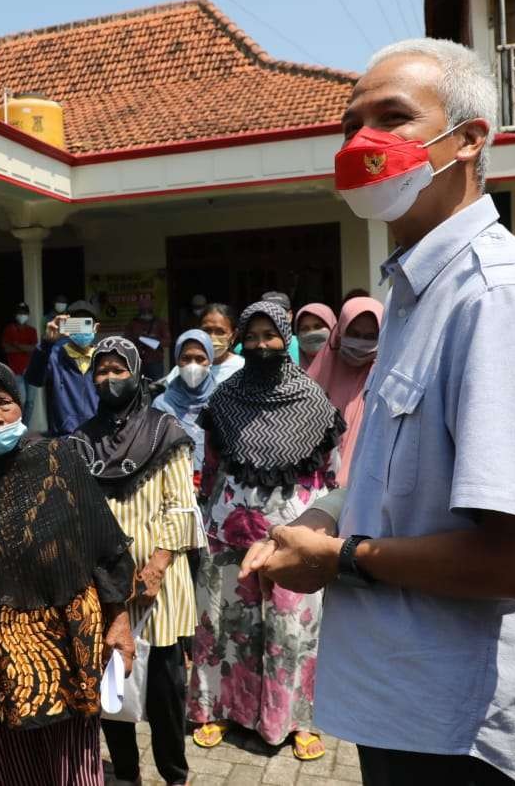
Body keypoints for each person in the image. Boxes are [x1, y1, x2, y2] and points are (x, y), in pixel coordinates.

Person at [244, 38, 515, 786]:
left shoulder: (497, 298)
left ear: (471, 140)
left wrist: (342, 559)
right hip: (410, 709)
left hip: (464, 732)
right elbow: (408, 484)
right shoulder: (417, 297)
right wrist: (330, 516)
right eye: (350, 125)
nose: (360, 143)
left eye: (392, 117)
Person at [0, 360, 135, 786]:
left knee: (73, 771)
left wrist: (120, 621)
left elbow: (105, 548)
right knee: (4, 771)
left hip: (67, 652)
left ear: (20, 405)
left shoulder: (62, 461)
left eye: (3, 402)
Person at [185, 302, 341, 762]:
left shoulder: (313, 399)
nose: (259, 345)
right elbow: (211, 464)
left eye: (269, 336)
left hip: (293, 533)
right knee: (224, 626)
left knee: (292, 630)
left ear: (286, 339)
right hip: (228, 532)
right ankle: (217, 709)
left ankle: (294, 720)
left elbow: (328, 474)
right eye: (251, 337)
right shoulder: (226, 396)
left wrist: (319, 531)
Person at [73, 337, 199, 786]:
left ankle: (174, 774)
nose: (109, 379)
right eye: (101, 372)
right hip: (106, 585)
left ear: (136, 372)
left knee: (166, 691)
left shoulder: (165, 430)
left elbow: (182, 507)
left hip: (159, 583)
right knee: (113, 682)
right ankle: (126, 774)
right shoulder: (81, 441)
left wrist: (158, 562)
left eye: (118, 370)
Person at [305, 297, 385, 486]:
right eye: (354, 334)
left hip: (367, 489)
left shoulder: (386, 382)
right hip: (315, 492)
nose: (360, 343)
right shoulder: (314, 380)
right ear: (339, 332)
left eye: (369, 337)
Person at [25, 300, 100, 436]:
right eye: (76, 324)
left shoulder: (103, 359)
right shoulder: (53, 356)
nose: (81, 328)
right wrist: (46, 343)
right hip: (64, 440)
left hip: (98, 438)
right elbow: (34, 379)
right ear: (67, 326)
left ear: (95, 327)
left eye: (86, 323)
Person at [153, 330, 218, 481]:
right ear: (177, 360)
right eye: (186, 358)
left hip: (215, 488)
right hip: (174, 486)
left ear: (210, 361)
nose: (192, 365)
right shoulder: (162, 404)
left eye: (200, 358)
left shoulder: (222, 401)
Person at [162, 303, 245, 388]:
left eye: (220, 332)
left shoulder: (243, 368)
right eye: (207, 330)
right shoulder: (186, 366)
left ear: (234, 335)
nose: (212, 337)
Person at [0, 302, 40, 419]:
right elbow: (6, 348)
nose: (22, 315)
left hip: (31, 370)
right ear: (15, 314)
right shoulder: (9, 329)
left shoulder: (31, 330)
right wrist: (24, 348)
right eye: (19, 313)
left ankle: (25, 428)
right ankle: (18, 426)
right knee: (20, 401)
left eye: (24, 313)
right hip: (16, 370)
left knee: (30, 401)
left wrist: (16, 345)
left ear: (28, 315)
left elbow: (33, 349)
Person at [124, 301, 170, 381]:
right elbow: (126, 340)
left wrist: (153, 341)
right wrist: (136, 339)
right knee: (138, 385)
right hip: (138, 361)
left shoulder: (160, 323)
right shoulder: (133, 323)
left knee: (157, 385)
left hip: (155, 361)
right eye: (143, 311)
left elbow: (168, 341)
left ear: (152, 311)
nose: (145, 313)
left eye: (148, 310)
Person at [294, 303, 337, 371]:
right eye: (305, 329)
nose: (312, 333)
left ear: (332, 328)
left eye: (318, 327)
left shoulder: (348, 369)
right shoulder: (291, 372)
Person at [261, 291, 301, 364]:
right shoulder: (248, 347)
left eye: (280, 312)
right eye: (269, 313)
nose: (274, 316)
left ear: (290, 315)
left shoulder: (301, 344)